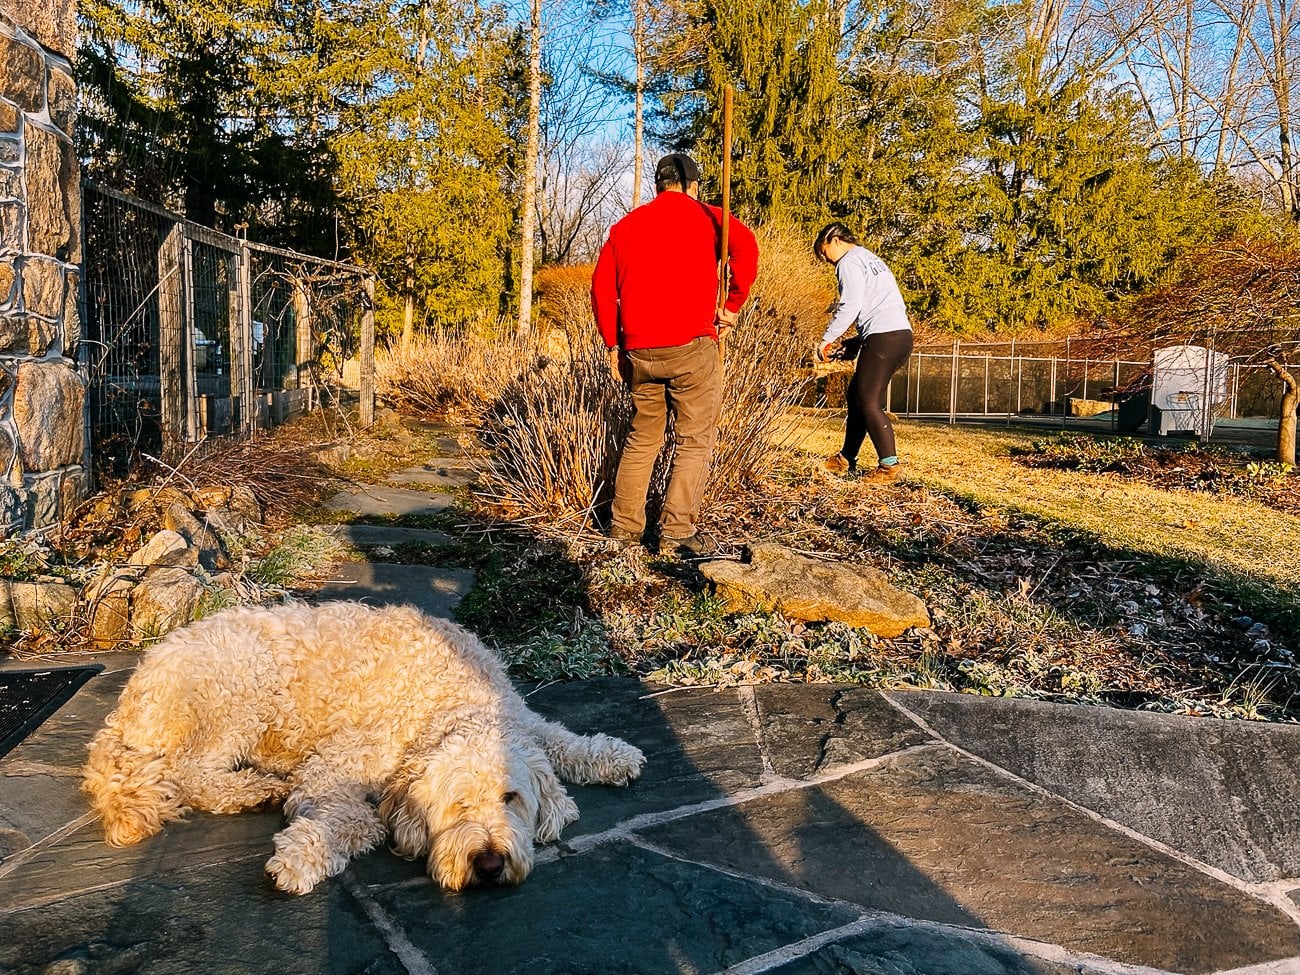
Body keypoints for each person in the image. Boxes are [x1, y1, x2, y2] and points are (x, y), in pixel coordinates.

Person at [591, 152, 759, 557]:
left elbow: (600, 289)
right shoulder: (709, 217)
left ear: (657, 185)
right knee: (693, 439)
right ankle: (676, 531)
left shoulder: (625, 227)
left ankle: (624, 528)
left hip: (640, 351)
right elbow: (748, 252)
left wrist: (613, 345)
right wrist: (731, 307)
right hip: (691, 347)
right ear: (692, 185)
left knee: (642, 438)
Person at [813, 221, 914, 484]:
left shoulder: (848, 262)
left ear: (835, 240)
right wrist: (857, 342)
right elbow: (881, 307)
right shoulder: (870, 259)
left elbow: (851, 304)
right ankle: (846, 458)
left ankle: (889, 466)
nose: (827, 261)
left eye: (824, 253)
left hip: (885, 337)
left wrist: (827, 339)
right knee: (856, 396)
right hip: (898, 335)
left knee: (868, 401)